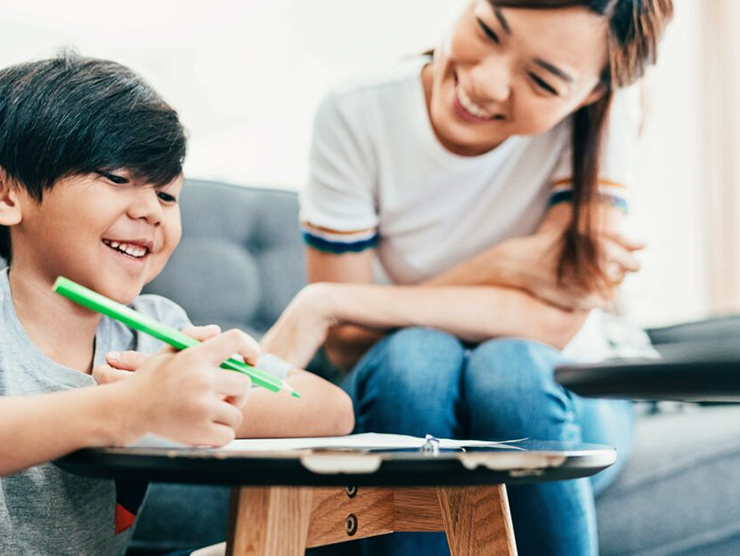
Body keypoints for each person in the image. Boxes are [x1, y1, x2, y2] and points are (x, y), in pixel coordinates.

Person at [261, 1, 673, 554]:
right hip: (404, 383)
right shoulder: (357, 114)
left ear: (592, 93)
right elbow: (347, 342)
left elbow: (547, 323)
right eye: (486, 30)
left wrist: (336, 300)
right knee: (415, 358)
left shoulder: (604, 118)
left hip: (557, 398)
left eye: (541, 80)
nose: (485, 82)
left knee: (511, 367)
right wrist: (501, 268)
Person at [0, 53, 353, 556]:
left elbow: (331, 409)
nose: (149, 211)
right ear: (8, 193)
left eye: (167, 195)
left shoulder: (157, 329)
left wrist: (196, 398)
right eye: (117, 179)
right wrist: (130, 407)